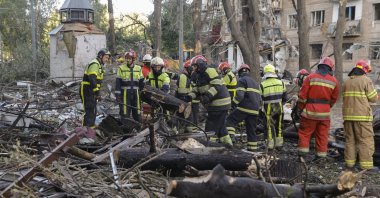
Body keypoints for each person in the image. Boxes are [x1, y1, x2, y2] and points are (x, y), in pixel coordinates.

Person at [297, 57, 339, 159]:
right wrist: (326, 107)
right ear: (330, 68)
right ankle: (321, 157)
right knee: (322, 135)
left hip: (309, 112)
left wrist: (301, 108)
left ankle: (303, 156)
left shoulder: (310, 77)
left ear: (319, 66)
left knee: (305, 133)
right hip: (325, 114)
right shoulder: (334, 81)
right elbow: (334, 99)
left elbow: (302, 96)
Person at [187, 55, 233, 146]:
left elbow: (217, 85)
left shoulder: (210, 71)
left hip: (220, 103)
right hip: (216, 104)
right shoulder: (198, 76)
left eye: (195, 66)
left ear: (201, 65)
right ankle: (228, 145)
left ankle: (209, 146)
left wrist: (207, 96)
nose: (194, 68)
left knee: (210, 126)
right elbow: (196, 89)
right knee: (221, 127)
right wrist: (189, 97)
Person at [342, 59, 379, 173]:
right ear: (364, 70)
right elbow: (373, 98)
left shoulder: (346, 81)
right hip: (362, 116)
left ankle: (349, 165)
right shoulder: (366, 80)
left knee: (350, 140)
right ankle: (366, 166)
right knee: (365, 140)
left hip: (348, 116)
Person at [226, 64, 262, 151]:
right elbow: (260, 98)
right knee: (251, 130)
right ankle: (252, 149)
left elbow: (239, 96)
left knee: (230, 120)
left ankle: (231, 140)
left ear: (239, 72)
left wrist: (233, 104)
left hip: (244, 108)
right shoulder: (255, 82)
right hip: (255, 110)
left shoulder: (241, 80)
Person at [80, 48, 111, 128]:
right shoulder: (95, 64)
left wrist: (97, 93)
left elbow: (97, 82)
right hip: (87, 89)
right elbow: (92, 78)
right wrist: (97, 92)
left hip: (91, 90)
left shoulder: (99, 65)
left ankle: (91, 128)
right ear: (101, 56)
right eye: (106, 57)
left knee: (93, 110)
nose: (107, 60)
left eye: (108, 58)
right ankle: (86, 130)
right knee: (89, 109)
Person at [260, 64, 287, 149]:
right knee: (279, 126)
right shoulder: (281, 83)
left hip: (268, 108)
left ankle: (270, 145)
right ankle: (279, 145)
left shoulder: (262, 85)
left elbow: (260, 99)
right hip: (279, 107)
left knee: (269, 127)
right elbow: (285, 97)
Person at [115, 50, 144, 122]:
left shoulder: (138, 68)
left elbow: (142, 82)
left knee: (137, 113)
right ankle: (125, 129)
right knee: (125, 113)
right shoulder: (121, 68)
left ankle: (138, 128)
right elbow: (118, 82)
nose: (127, 60)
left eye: (129, 58)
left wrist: (143, 93)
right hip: (125, 94)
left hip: (136, 94)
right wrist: (118, 95)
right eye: (126, 58)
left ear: (133, 59)